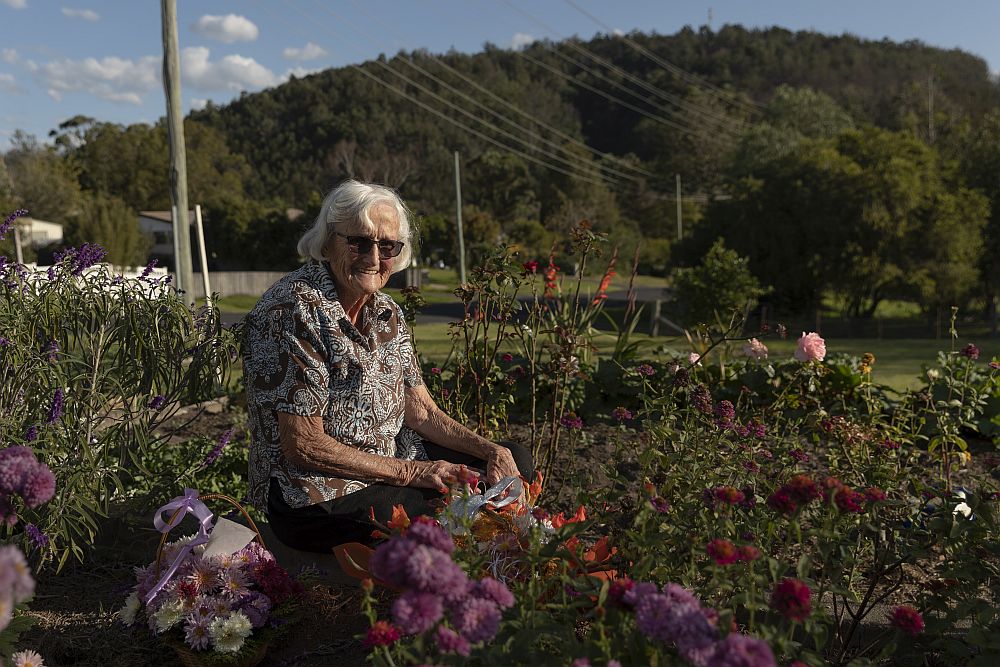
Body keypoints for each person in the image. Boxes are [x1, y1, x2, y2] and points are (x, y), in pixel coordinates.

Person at [241, 180, 533, 553]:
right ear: (328, 242)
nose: (373, 257)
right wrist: (416, 474)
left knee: (512, 462)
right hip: (318, 496)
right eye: (359, 241)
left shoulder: (387, 312)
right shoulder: (293, 310)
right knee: (452, 511)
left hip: (391, 467)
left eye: (387, 246)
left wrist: (489, 449)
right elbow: (304, 445)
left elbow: (421, 410)